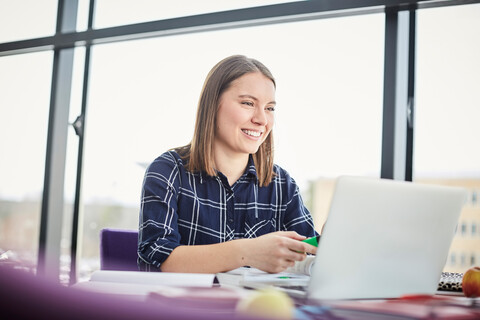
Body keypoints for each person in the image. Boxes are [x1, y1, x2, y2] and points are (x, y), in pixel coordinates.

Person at [138, 55, 318, 274]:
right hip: (183, 307)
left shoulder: (282, 184)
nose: (262, 119)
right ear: (213, 105)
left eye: (270, 108)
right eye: (248, 103)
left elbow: (309, 252)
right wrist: (248, 252)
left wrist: (330, 243)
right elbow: (159, 260)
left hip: (257, 308)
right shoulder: (168, 171)